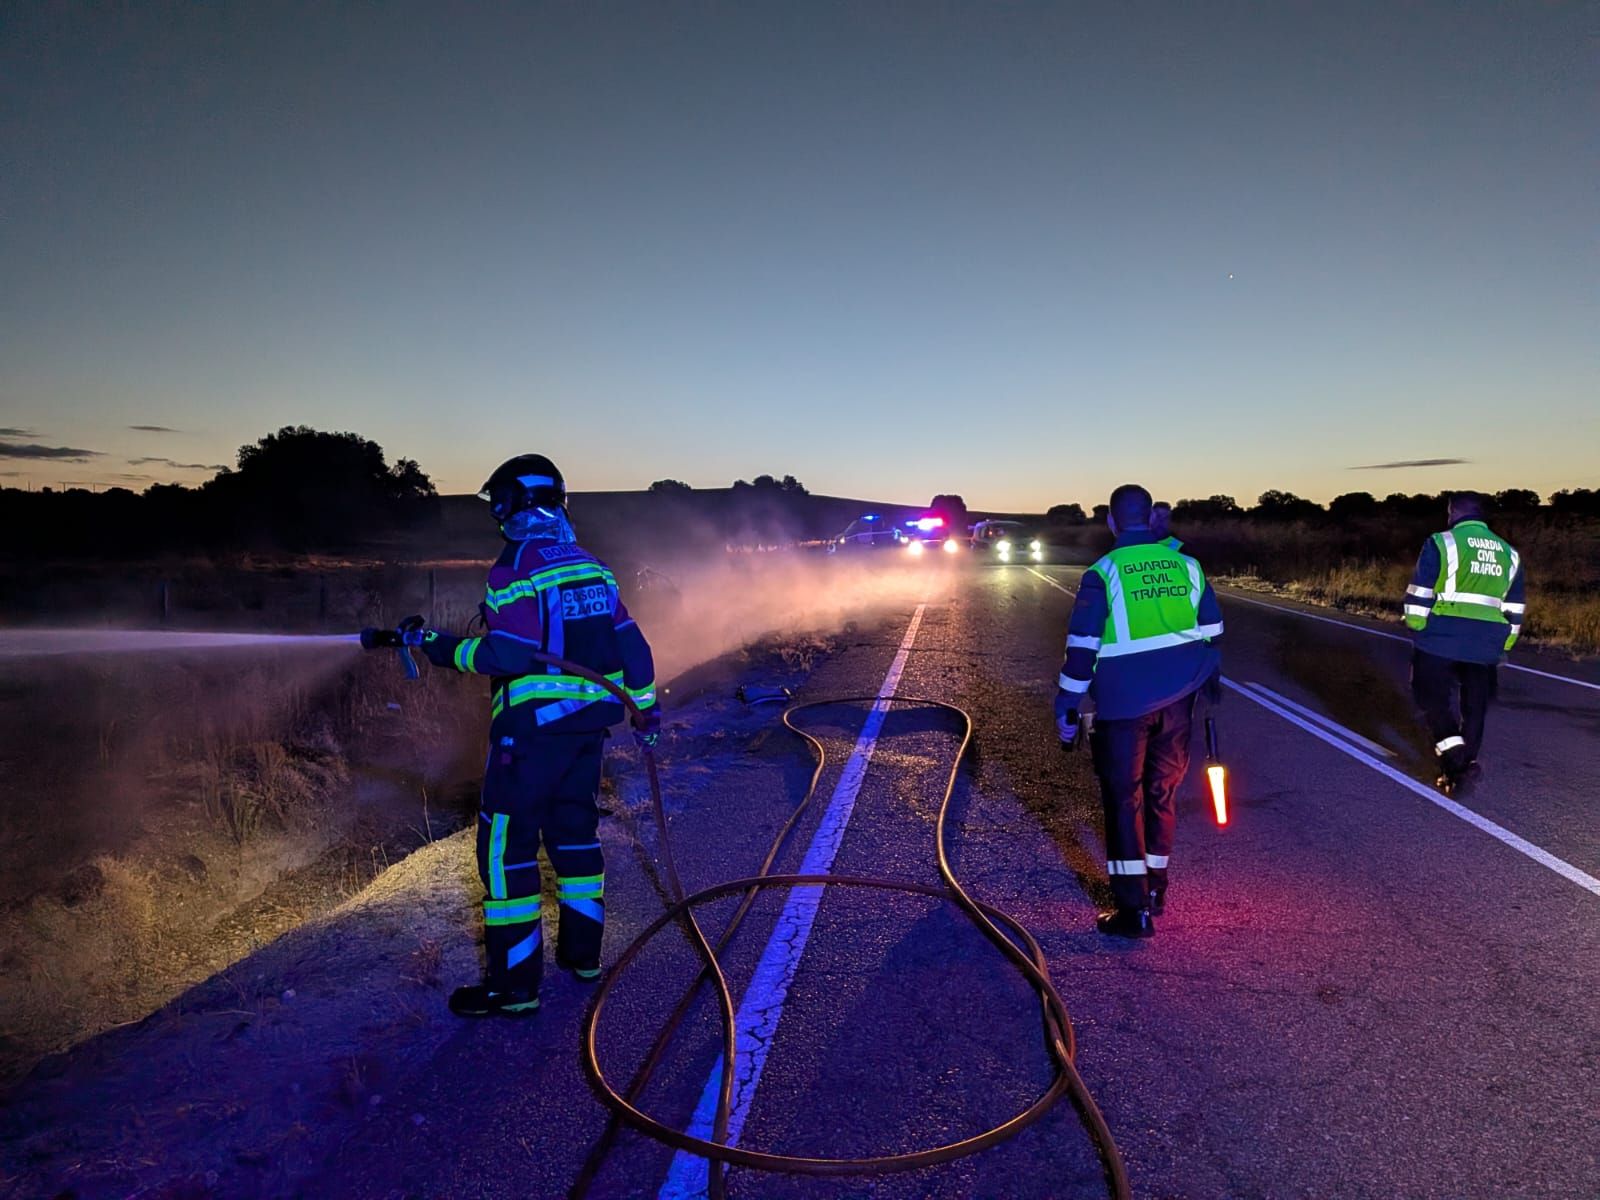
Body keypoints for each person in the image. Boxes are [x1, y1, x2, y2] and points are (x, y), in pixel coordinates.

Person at [369, 454, 659, 1017]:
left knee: (507, 852)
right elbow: (635, 648)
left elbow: (508, 654)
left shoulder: (515, 568)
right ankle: (583, 957)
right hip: (586, 734)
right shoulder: (593, 567)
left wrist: (441, 649)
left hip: (529, 739)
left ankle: (514, 988)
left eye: (498, 506)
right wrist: (646, 712)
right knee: (576, 838)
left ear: (510, 506)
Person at [1054, 484, 1223, 938]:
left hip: (1123, 708)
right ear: (1151, 518)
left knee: (1123, 800)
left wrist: (1067, 705)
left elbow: (1082, 649)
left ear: (1111, 521)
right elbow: (1212, 628)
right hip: (1178, 704)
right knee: (1161, 794)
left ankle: (1133, 911)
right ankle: (1156, 891)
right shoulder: (1187, 565)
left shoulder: (1103, 572)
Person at [1403, 492, 1524, 795]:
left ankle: (1455, 755)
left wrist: (1417, 624)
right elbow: (1514, 607)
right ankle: (1465, 766)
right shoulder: (1509, 553)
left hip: (1441, 638)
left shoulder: (1441, 542)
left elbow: (1420, 591)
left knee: (1429, 695)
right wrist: (1504, 643)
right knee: (1475, 707)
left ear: (1454, 512)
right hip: (1486, 644)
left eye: (1449, 512)